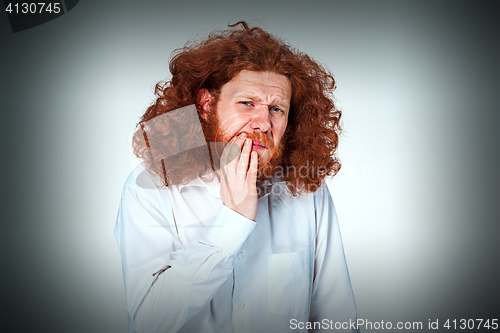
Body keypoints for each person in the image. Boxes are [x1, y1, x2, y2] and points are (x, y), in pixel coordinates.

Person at [114, 21, 358, 333]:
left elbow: (336, 318)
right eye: (247, 103)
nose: (263, 123)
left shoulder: (306, 189)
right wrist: (233, 218)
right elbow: (149, 322)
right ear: (206, 104)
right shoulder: (151, 187)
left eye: (276, 109)